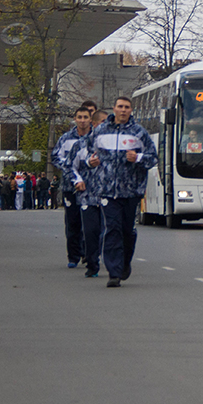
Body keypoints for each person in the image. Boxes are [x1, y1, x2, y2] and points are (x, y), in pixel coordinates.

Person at [86, 96, 158, 288]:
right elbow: (86, 152)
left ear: (131, 110)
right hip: (107, 190)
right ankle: (114, 272)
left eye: (127, 107)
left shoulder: (139, 133)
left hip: (131, 190)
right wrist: (89, 162)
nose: (123, 110)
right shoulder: (100, 131)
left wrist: (138, 157)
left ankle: (125, 261)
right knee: (112, 228)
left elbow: (153, 158)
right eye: (120, 107)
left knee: (127, 231)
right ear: (114, 109)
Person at [54, 106, 94, 268]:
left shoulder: (95, 138)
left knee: (90, 223)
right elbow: (56, 157)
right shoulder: (66, 138)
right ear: (75, 119)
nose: (82, 120)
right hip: (70, 186)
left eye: (85, 117)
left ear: (90, 119)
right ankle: (73, 256)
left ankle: (88, 253)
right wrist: (70, 167)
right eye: (80, 117)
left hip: (91, 186)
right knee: (73, 222)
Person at [71, 110, 108, 277]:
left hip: (110, 196)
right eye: (103, 122)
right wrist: (77, 180)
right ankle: (92, 264)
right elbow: (71, 166)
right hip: (88, 195)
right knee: (91, 231)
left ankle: (111, 262)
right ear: (95, 124)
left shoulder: (115, 144)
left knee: (109, 231)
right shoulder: (83, 144)